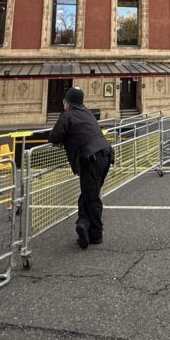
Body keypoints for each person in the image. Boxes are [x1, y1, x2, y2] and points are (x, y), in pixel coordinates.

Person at [48, 87, 113, 249]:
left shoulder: (67, 116)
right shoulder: (88, 113)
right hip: (106, 154)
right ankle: (83, 224)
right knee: (89, 194)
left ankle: (96, 234)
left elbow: (54, 136)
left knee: (91, 198)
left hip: (91, 158)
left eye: (65, 101)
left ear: (67, 103)